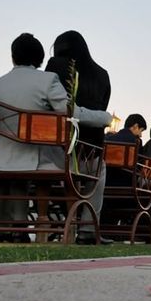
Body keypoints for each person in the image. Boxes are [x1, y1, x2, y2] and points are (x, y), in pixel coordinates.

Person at [0, 34, 111, 242]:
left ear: (12, 57)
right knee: (93, 167)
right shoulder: (47, 80)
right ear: (40, 58)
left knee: (15, 175)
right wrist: (104, 118)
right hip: (34, 157)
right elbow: (70, 113)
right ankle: (85, 229)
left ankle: (6, 227)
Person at [45, 30, 112, 245]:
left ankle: (63, 222)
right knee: (99, 170)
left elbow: (50, 106)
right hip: (90, 152)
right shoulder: (102, 75)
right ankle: (88, 228)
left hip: (57, 152)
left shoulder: (55, 67)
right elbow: (102, 106)